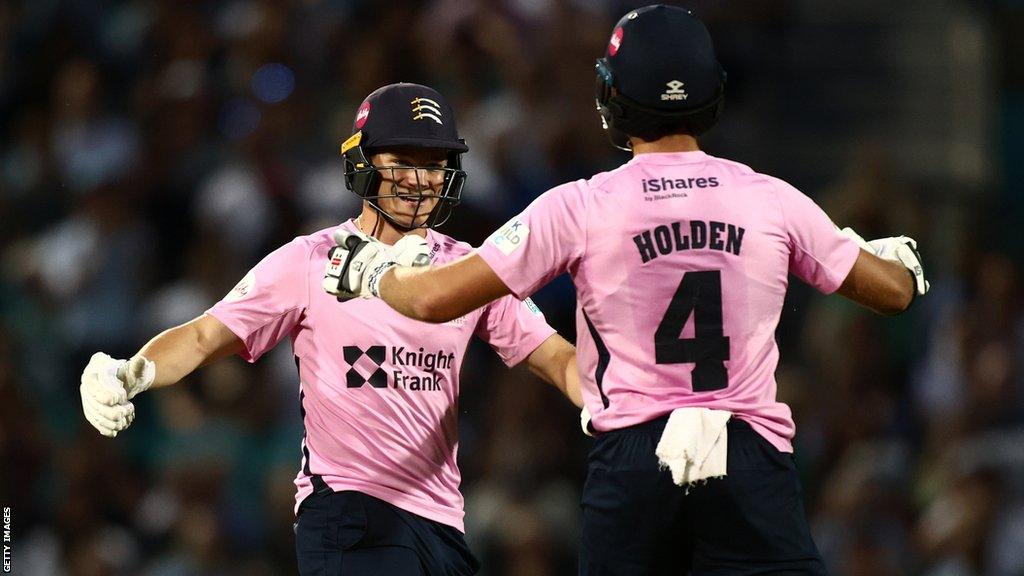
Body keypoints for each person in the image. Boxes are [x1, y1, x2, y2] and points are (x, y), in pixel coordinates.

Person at [321, 6, 929, 575]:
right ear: (712, 92)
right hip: (749, 458)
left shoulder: (581, 205)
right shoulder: (771, 198)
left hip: (635, 461)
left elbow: (432, 299)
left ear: (613, 96)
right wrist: (889, 255)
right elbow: (895, 292)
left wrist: (375, 270)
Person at [78, 83, 582, 576]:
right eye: (402, 160)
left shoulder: (464, 271)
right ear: (364, 163)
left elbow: (558, 359)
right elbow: (204, 336)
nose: (420, 179)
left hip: (442, 525)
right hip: (350, 512)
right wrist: (130, 372)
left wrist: (641, 406)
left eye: (433, 164)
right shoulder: (310, 261)